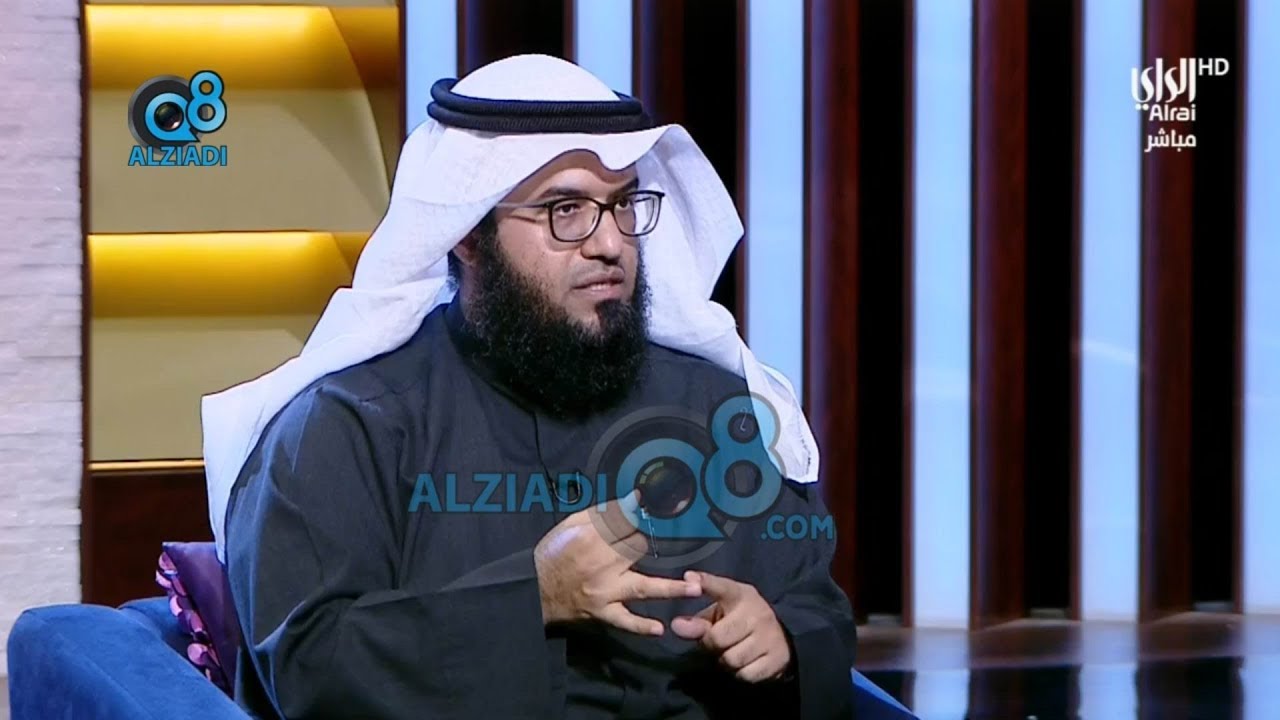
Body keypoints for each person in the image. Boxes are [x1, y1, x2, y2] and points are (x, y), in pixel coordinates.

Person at [206, 54, 855, 719]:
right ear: (468, 235)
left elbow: (819, 609)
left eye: (622, 205)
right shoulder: (350, 424)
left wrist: (783, 642)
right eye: (565, 210)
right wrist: (536, 595)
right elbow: (311, 671)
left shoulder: (715, 409)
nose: (610, 244)